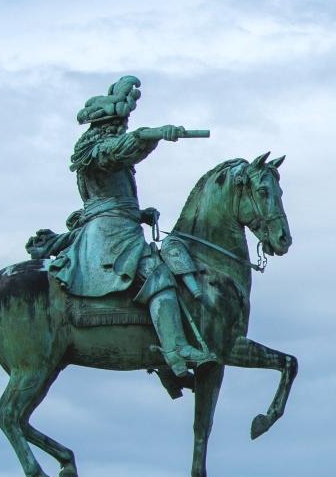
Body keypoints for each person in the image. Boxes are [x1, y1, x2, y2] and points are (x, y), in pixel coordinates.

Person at [39, 75, 214, 379]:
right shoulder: (100, 152)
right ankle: (176, 351)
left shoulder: (98, 152)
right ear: (107, 126)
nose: (123, 127)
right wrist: (155, 134)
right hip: (110, 235)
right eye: (120, 124)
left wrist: (140, 213)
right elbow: (125, 148)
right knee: (158, 277)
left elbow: (111, 193)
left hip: (119, 225)